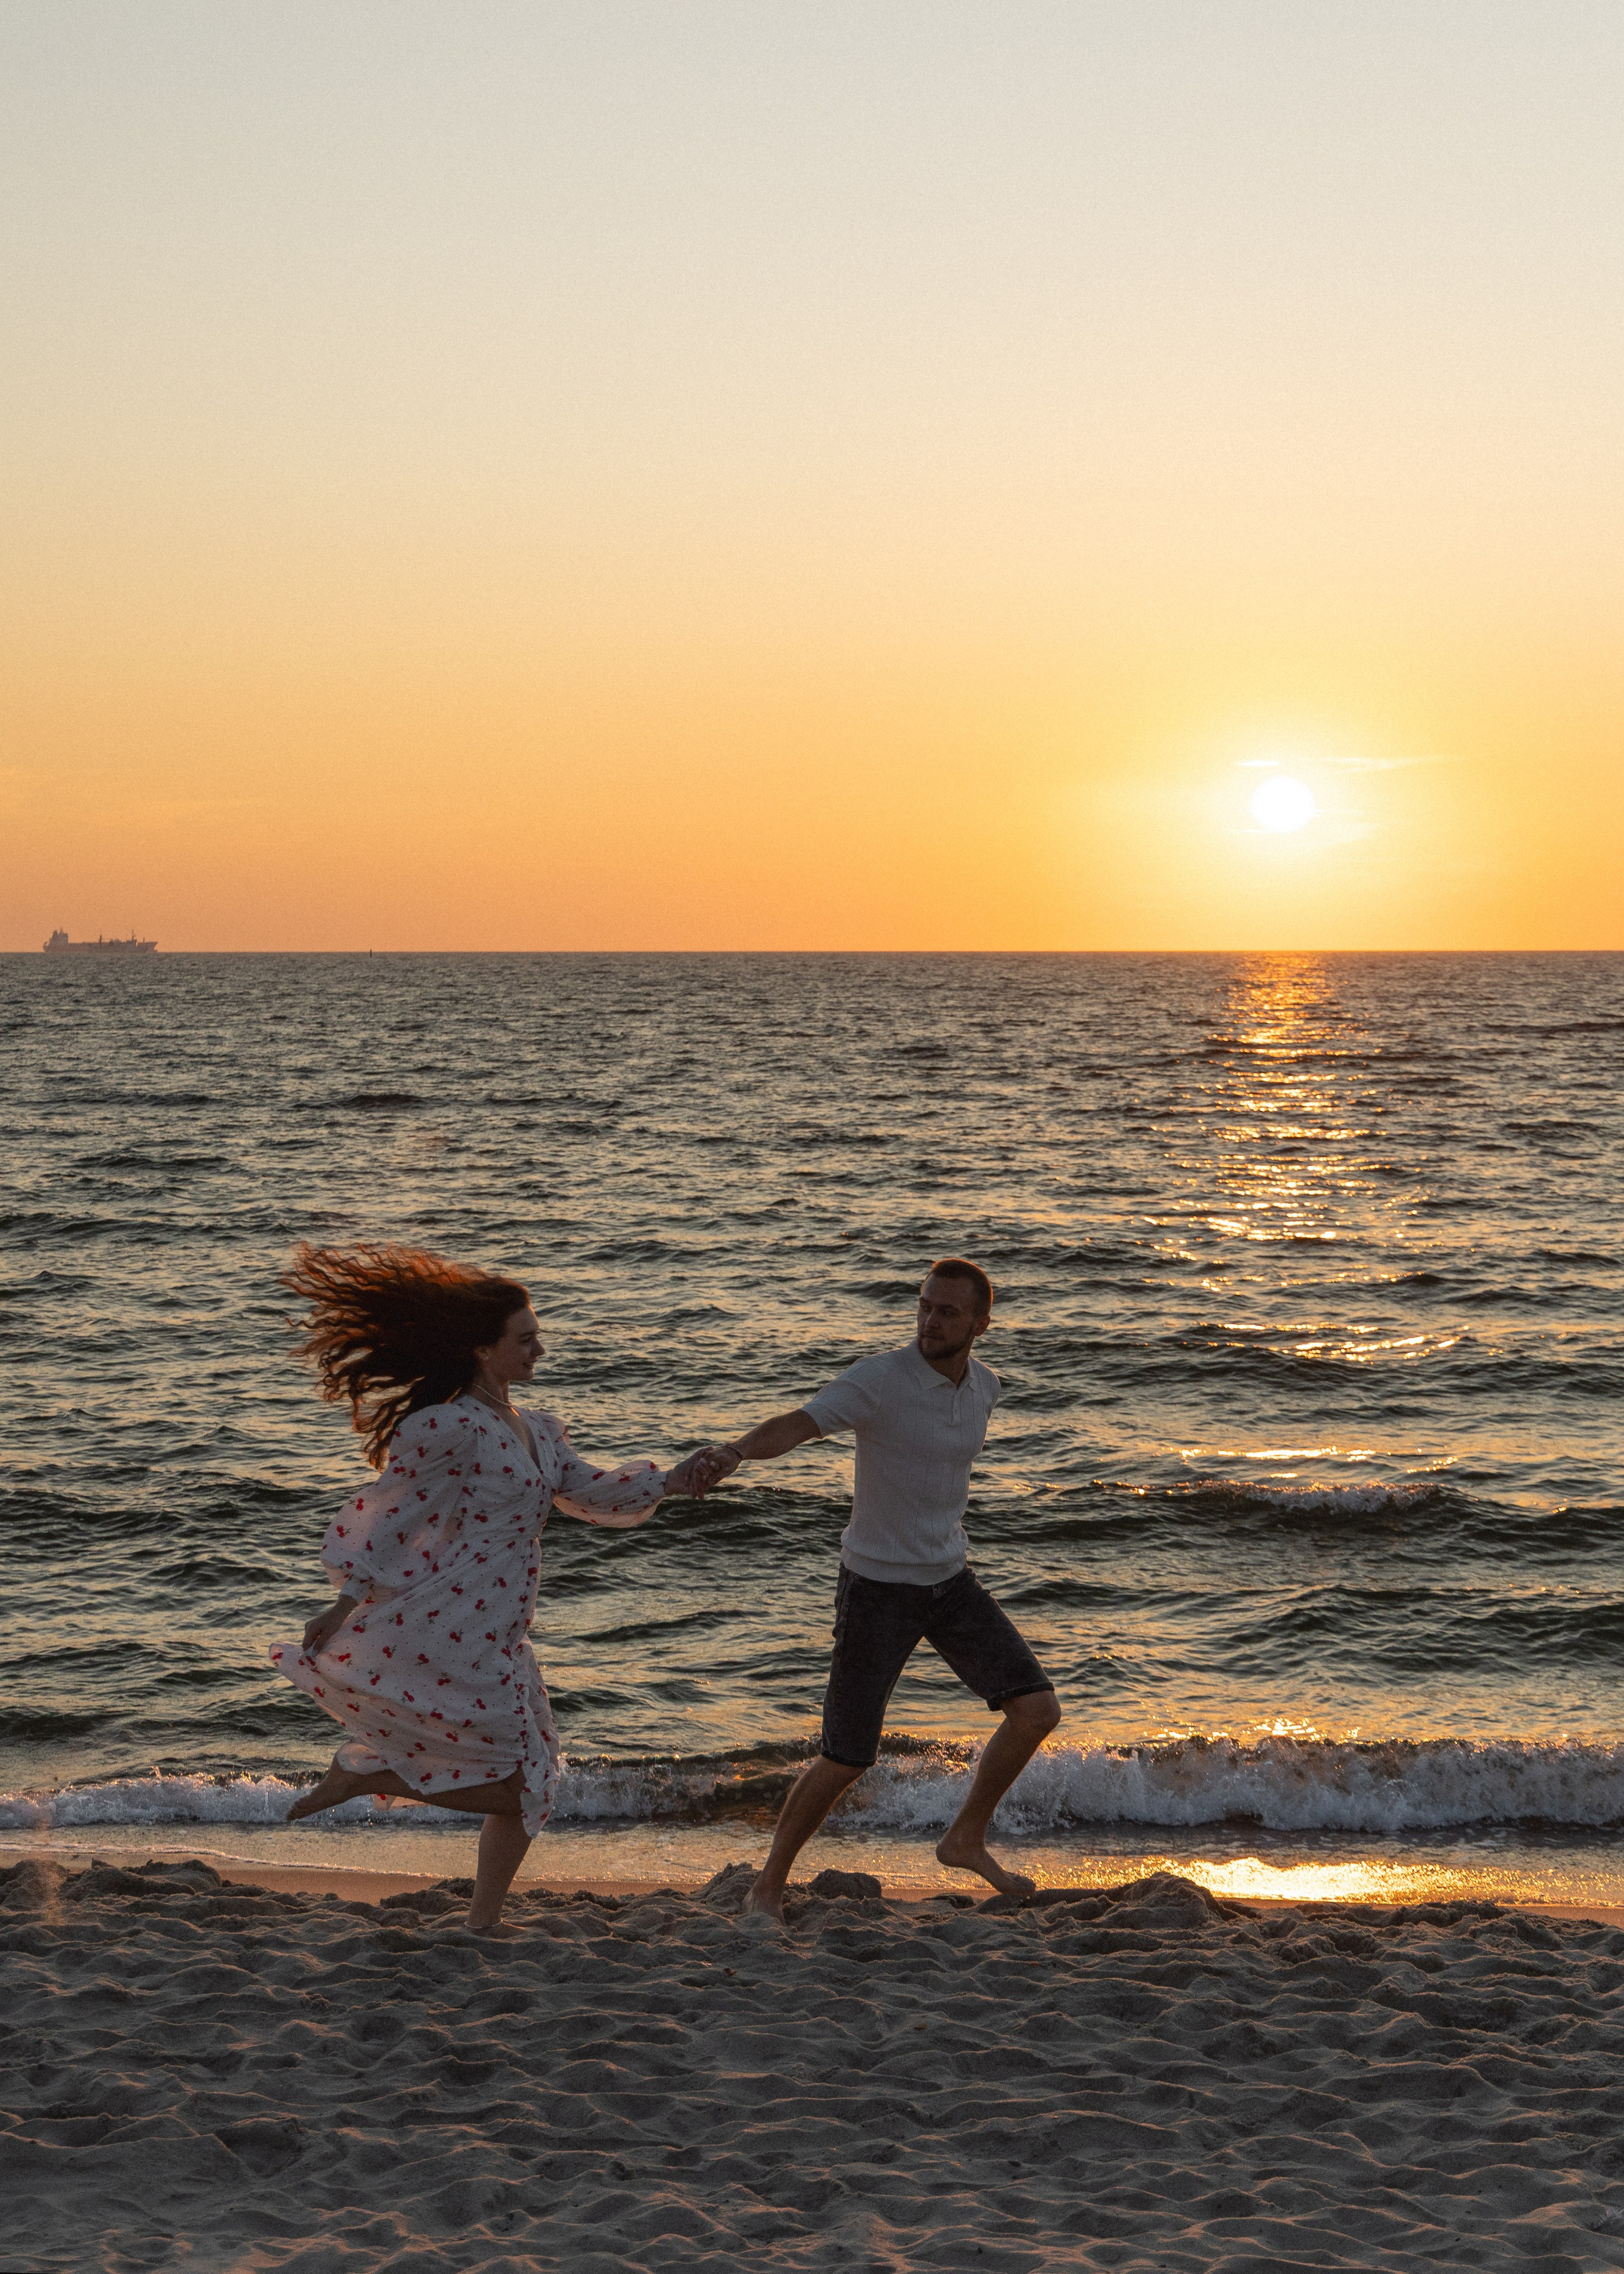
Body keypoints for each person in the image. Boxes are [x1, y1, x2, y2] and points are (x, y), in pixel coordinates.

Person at [268, 1242, 716, 1933]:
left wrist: (673, 1478)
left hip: (503, 1624)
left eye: (538, 1335)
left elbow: (588, 1489)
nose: (539, 1348)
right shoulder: (453, 1426)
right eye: (525, 1338)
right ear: (483, 1348)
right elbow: (394, 1514)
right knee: (520, 1781)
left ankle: (481, 1920)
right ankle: (368, 1776)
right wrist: (345, 1601)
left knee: (534, 1779)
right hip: (455, 1621)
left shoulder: (533, 1428)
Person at [695, 1258, 1060, 1920]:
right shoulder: (880, 1379)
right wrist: (735, 1451)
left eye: (948, 1311)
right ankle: (767, 1884)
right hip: (876, 1588)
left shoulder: (985, 1386)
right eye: (924, 1305)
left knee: (1036, 1710)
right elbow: (799, 1423)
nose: (930, 1320)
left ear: (982, 1323)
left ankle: (964, 1836)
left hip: (949, 1580)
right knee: (845, 1756)